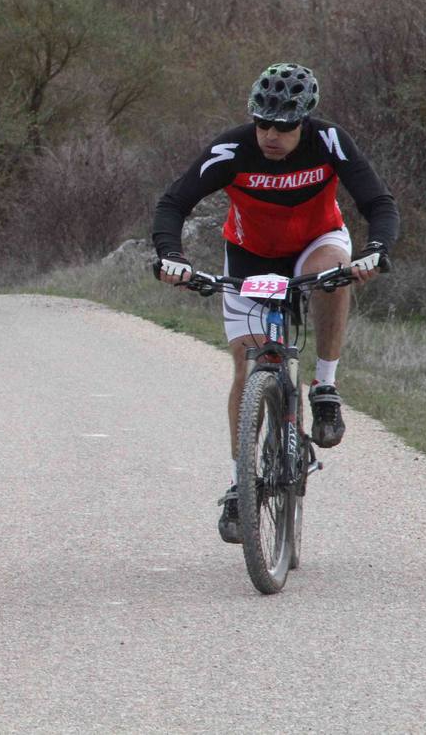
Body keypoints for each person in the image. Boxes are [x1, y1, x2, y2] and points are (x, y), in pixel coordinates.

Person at [152, 62, 398, 544]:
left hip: (315, 242)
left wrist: (375, 250)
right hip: (250, 255)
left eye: (283, 127)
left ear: (303, 121)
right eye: (262, 123)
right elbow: (173, 203)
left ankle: (324, 387)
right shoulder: (232, 149)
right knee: (248, 368)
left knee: (334, 275)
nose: (270, 135)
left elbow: (379, 203)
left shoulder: (329, 141)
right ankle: (240, 482)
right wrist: (172, 257)